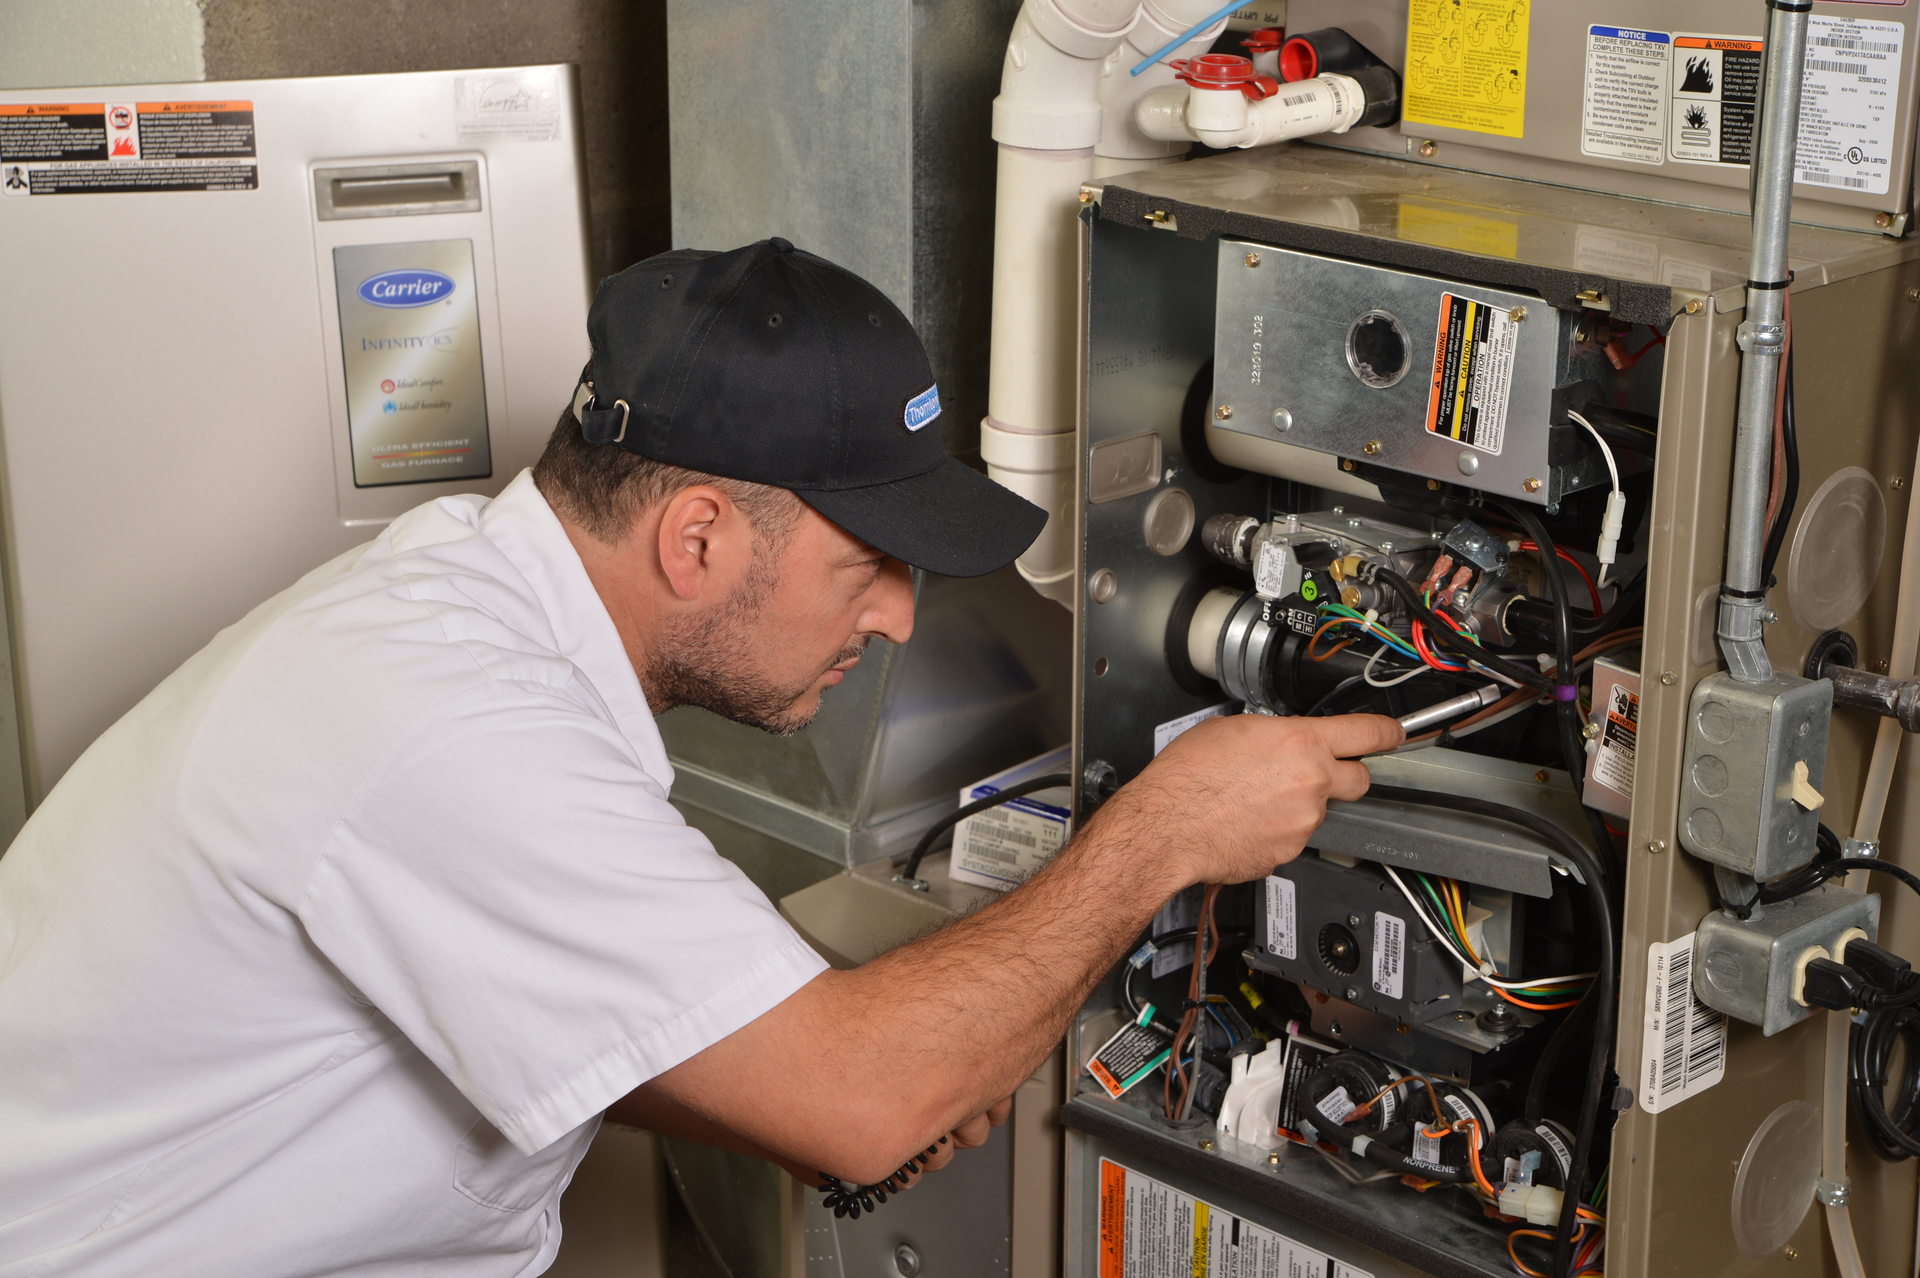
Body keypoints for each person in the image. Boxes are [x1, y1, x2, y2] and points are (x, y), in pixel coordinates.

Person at [0, 238, 1401, 1276]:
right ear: (700, 539)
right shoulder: (450, 726)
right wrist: (1164, 828)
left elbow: (519, 1004)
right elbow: (865, 1102)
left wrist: (775, 1083)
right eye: (870, 562)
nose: (902, 613)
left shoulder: (465, 614)